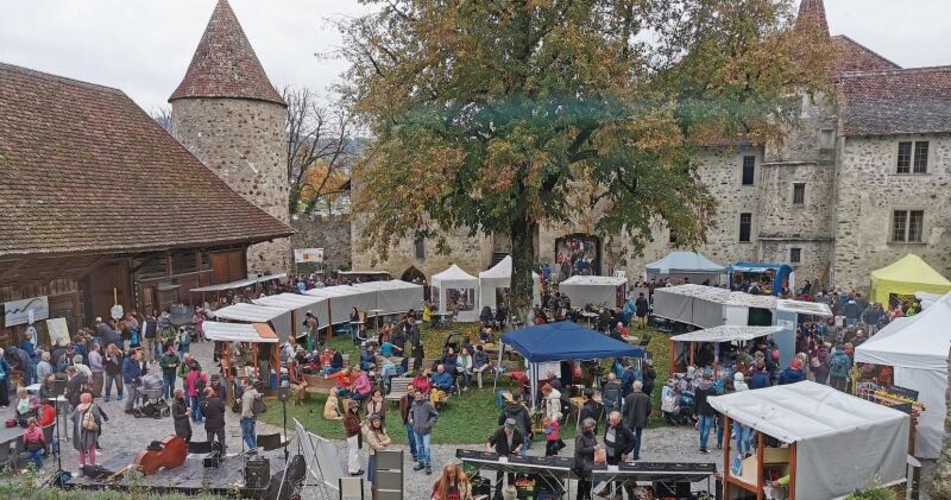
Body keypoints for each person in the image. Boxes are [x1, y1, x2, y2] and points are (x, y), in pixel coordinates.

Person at [486, 418, 523, 498]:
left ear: (513, 429)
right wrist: (489, 448)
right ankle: (498, 495)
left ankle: (511, 495)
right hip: (501, 454)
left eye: (510, 431)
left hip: (511, 455)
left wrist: (518, 448)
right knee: (500, 475)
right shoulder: (499, 430)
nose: (508, 432)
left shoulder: (517, 432)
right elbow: (490, 441)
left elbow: (521, 442)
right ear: (505, 427)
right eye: (507, 430)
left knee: (511, 475)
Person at [603, 411, 636, 497]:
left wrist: (625, 453)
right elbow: (605, 435)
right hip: (608, 454)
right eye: (610, 420)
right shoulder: (608, 424)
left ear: (618, 420)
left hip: (618, 456)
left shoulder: (624, 429)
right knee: (607, 472)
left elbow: (633, 441)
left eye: (613, 421)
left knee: (618, 475)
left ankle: (618, 494)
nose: (611, 423)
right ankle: (607, 489)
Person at [410, 388, 439, 475]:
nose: (417, 396)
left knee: (426, 448)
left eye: (419, 394)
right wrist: (410, 418)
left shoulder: (427, 405)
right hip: (416, 430)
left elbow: (435, 416)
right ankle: (421, 463)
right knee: (419, 448)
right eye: (416, 395)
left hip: (426, 431)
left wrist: (428, 425)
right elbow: (410, 412)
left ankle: (428, 465)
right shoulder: (414, 404)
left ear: (422, 395)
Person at [71, 392, 104, 468]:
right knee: (91, 447)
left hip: (79, 430)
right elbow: (97, 418)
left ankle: (82, 464)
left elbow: (73, 417)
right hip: (89, 430)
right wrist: (97, 425)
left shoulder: (78, 407)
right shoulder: (93, 406)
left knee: (82, 448)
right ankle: (92, 464)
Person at [622, 380, 651, 460]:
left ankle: (625, 453)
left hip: (630, 419)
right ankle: (636, 455)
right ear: (641, 387)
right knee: (638, 437)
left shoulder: (629, 397)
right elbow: (649, 409)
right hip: (641, 419)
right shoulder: (646, 397)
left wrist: (626, 415)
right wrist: (645, 416)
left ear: (633, 387)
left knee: (628, 436)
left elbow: (625, 410)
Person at [574, 418, 600, 500]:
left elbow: (594, 442)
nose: (594, 427)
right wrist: (593, 448)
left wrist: (597, 445)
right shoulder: (580, 436)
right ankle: (580, 497)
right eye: (593, 426)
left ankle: (587, 495)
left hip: (589, 461)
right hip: (581, 462)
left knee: (588, 479)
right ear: (589, 427)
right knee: (582, 481)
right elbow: (579, 449)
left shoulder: (591, 433)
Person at [364, 413, 392, 487]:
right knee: (375, 477)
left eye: (378, 421)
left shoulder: (381, 430)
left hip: (382, 455)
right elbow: (375, 446)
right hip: (374, 456)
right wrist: (385, 446)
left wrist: (382, 443)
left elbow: (389, 439)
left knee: (383, 474)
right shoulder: (370, 433)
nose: (377, 423)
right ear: (372, 423)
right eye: (375, 421)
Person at [694, 371, 718, 453]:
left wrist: (695, 411)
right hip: (709, 411)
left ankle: (702, 445)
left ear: (703, 378)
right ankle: (703, 447)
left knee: (702, 428)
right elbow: (714, 402)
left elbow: (696, 400)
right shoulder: (712, 389)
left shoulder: (698, 388)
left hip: (700, 410)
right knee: (706, 429)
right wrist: (716, 413)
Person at [199, 387, 226, 455]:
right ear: (209, 392)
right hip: (219, 424)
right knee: (221, 440)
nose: (213, 391)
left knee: (209, 441)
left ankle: (210, 454)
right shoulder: (218, 401)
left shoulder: (201, 403)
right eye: (212, 390)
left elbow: (203, 414)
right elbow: (223, 410)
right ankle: (223, 454)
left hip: (209, 425)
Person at [732, 372, 753, 457]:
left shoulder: (745, 389)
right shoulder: (735, 387)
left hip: (744, 416)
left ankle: (747, 451)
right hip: (736, 416)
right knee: (739, 438)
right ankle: (740, 453)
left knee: (745, 438)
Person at [240, 378, 260, 452]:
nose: (241, 385)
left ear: (246, 384)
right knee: (252, 433)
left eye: (242, 383)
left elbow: (246, 409)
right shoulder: (254, 391)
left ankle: (253, 449)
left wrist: (242, 417)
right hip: (254, 416)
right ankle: (255, 448)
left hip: (247, 417)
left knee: (246, 435)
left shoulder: (246, 395)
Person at [344, 400, 364, 476]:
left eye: (356, 407)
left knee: (354, 452)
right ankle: (354, 470)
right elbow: (352, 429)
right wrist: (360, 425)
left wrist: (359, 425)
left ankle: (356, 468)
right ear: (350, 408)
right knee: (354, 453)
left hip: (354, 436)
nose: (355, 408)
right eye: (353, 407)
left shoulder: (354, 415)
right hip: (352, 436)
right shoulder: (349, 418)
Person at [399, 387, 419, 462]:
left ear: (414, 389)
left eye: (412, 389)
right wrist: (404, 419)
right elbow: (401, 410)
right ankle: (414, 453)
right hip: (409, 421)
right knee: (412, 438)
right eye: (409, 389)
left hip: (419, 421)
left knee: (419, 437)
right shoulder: (404, 398)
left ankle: (421, 452)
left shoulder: (418, 396)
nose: (411, 391)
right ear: (407, 390)